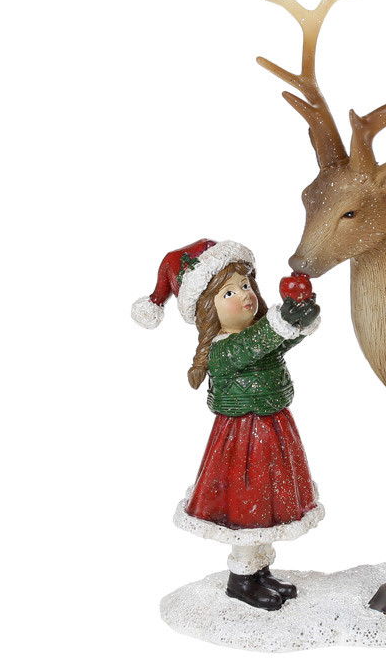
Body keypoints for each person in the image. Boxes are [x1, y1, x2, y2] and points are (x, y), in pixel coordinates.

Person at [132, 239, 321, 611]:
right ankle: (241, 579)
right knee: (248, 503)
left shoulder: (258, 335)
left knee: (268, 505)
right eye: (229, 292)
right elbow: (255, 344)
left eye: (246, 285)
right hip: (242, 439)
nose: (245, 295)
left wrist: (299, 320)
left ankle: (260, 571)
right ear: (208, 310)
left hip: (273, 428)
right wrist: (280, 324)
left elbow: (276, 342)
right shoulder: (222, 350)